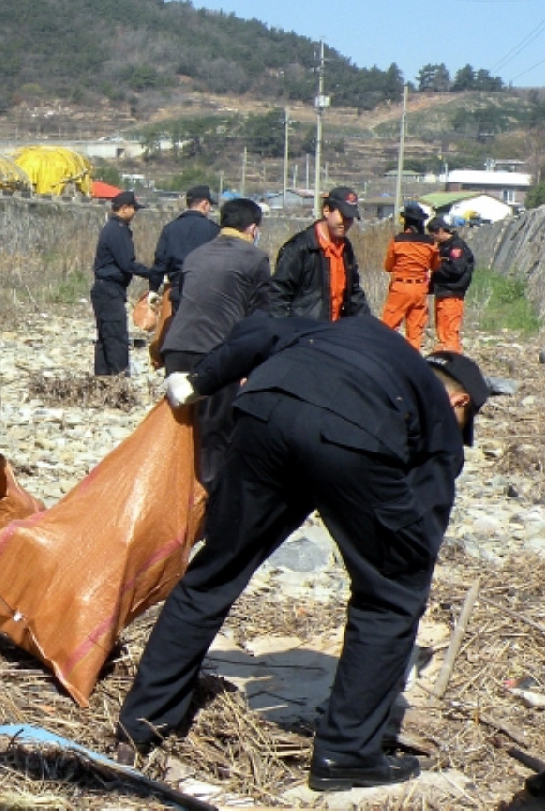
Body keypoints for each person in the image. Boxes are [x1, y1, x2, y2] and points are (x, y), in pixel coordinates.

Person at [120, 314, 495, 792]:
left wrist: (199, 381)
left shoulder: (353, 330)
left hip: (265, 408)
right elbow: (424, 523)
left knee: (217, 569)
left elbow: (256, 333)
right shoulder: (440, 413)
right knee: (393, 594)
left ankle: (141, 725)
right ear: (460, 401)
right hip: (355, 436)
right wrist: (402, 571)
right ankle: (346, 755)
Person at [158, 198, 273, 486]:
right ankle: (209, 506)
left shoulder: (196, 255)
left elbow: (179, 299)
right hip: (215, 352)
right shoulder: (254, 258)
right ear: (252, 228)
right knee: (215, 434)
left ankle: (173, 496)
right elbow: (260, 316)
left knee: (180, 430)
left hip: (177, 347)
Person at [270, 186, 369, 321]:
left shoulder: (345, 248)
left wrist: (366, 325)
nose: (346, 223)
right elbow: (277, 294)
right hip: (304, 333)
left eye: (350, 218)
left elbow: (354, 294)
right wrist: (286, 332)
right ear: (327, 210)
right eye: (343, 216)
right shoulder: (300, 247)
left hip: (335, 331)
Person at [91, 191, 154, 376]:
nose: (135, 213)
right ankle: (119, 380)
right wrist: (152, 273)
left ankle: (103, 380)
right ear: (124, 208)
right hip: (109, 290)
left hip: (104, 290)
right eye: (133, 208)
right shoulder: (117, 230)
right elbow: (127, 263)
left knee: (106, 337)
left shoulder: (112, 228)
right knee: (116, 337)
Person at [379, 202, 440, 349]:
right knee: (415, 331)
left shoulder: (397, 240)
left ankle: (384, 358)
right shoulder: (430, 243)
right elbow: (436, 266)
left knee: (388, 327)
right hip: (419, 288)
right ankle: (412, 362)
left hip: (400, 287)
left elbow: (388, 266)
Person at [149, 185, 220, 303]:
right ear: (204, 204)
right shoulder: (214, 230)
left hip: (179, 288)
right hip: (206, 291)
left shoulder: (170, 228)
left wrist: (153, 288)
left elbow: (160, 262)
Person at [429, 217, 475, 353]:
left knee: (450, 332)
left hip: (452, 293)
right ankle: (443, 354)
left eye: (434, 235)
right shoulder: (442, 247)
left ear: (441, 231)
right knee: (442, 331)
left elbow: (456, 269)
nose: (434, 239)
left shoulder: (457, 246)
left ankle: (452, 357)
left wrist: (436, 266)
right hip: (442, 292)